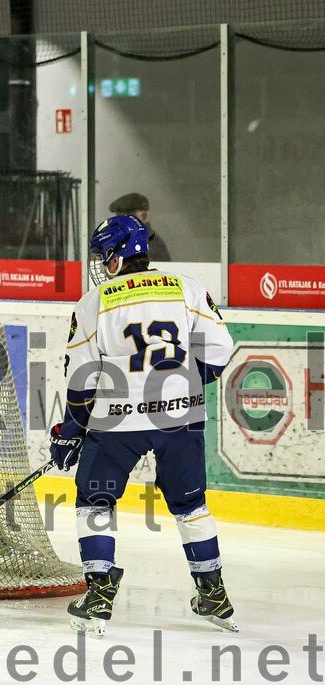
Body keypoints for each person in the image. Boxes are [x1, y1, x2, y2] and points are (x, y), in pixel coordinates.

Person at [50, 214, 235, 638]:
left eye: (104, 255)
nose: (101, 264)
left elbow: (82, 379)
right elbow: (220, 350)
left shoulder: (95, 302)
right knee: (191, 506)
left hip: (118, 419)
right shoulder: (186, 287)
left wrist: (69, 431)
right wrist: (185, 380)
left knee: (94, 501)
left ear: (117, 257)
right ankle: (215, 594)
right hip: (181, 415)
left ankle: (98, 594)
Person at [109, 192, 171, 262]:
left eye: (125, 218)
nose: (118, 222)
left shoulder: (152, 245)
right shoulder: (119, 239)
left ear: (143, 217)